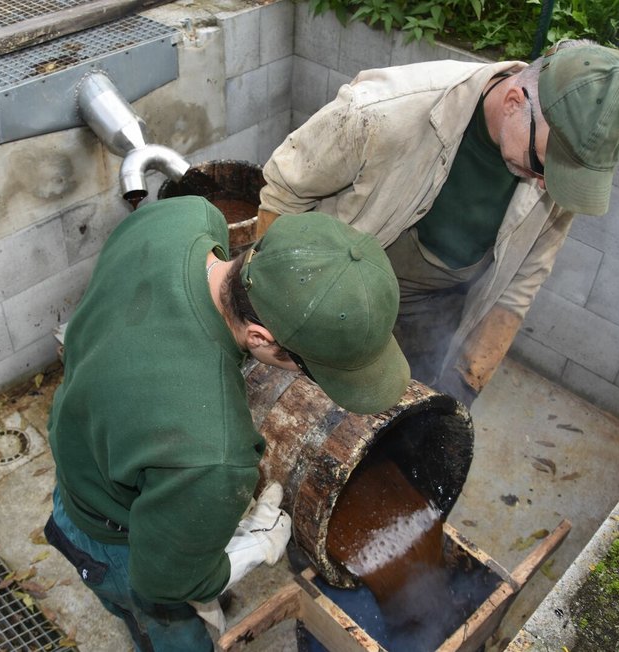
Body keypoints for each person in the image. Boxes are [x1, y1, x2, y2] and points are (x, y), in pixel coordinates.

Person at [44, 194, 411, 651]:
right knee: (169, 625)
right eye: (310, 368)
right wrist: (246, 551)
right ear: (260, 337)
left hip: (78, 445)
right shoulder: (217, 454)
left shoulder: (182, 216)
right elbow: (164, 584)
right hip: (112, 541)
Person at [256, 39, 619, 408]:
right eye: (545, 165)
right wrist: (272, 307)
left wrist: (468, 379)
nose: (547, 183)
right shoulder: (383, 112)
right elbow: (284, 192)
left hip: (436, 308)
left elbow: (520, 283)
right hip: (337, 291)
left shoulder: (552, 164)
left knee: (398, 418)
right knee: (304, 402)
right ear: (514, 102)